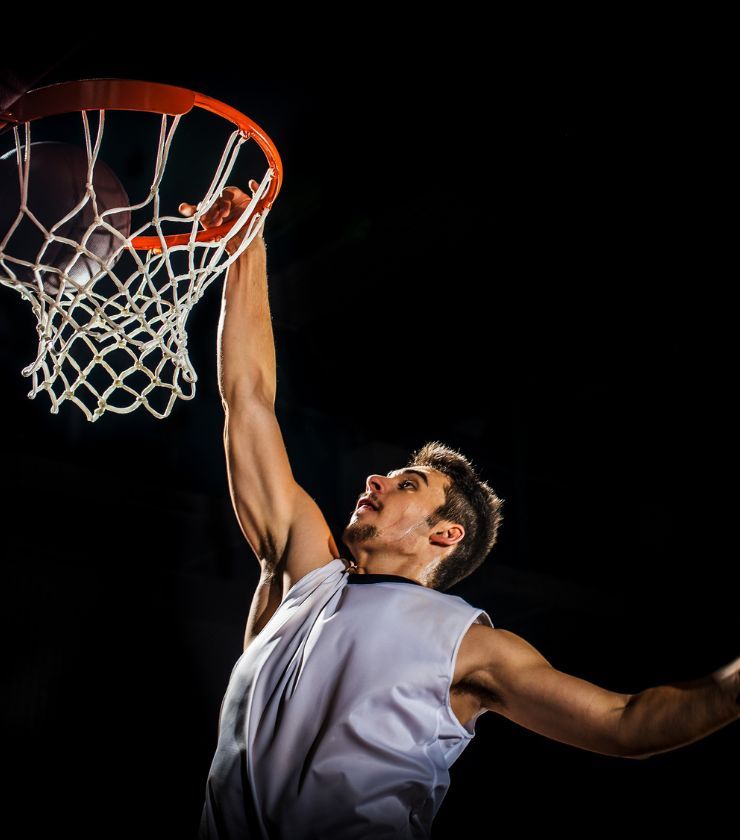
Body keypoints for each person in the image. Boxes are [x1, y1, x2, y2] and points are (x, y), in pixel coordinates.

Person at [180, 185, 740, 840]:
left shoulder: (470, 646)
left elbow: (625, 723)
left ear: (445, 533)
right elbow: (248, 396)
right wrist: (246, 244)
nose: (377, 477)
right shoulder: (302, 567)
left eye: (407, 481)